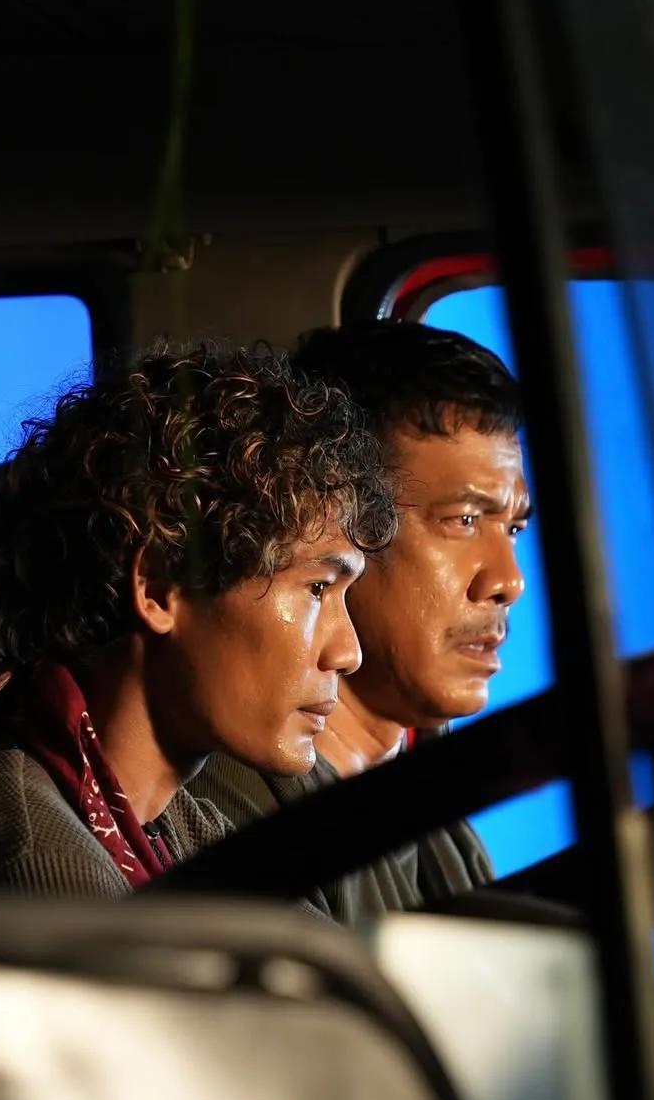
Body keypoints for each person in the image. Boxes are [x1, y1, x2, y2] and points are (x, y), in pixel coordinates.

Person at [0, 341, 397, 899]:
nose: (348, 652)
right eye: (317, 588)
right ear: (159, 589)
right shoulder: (37, 862)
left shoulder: (168, 822)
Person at [188, 320, 530, 919]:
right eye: (464, 521)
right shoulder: (238, 813)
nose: (508, 580)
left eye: (514, 527)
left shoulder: (436, 822)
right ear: (342, 522)